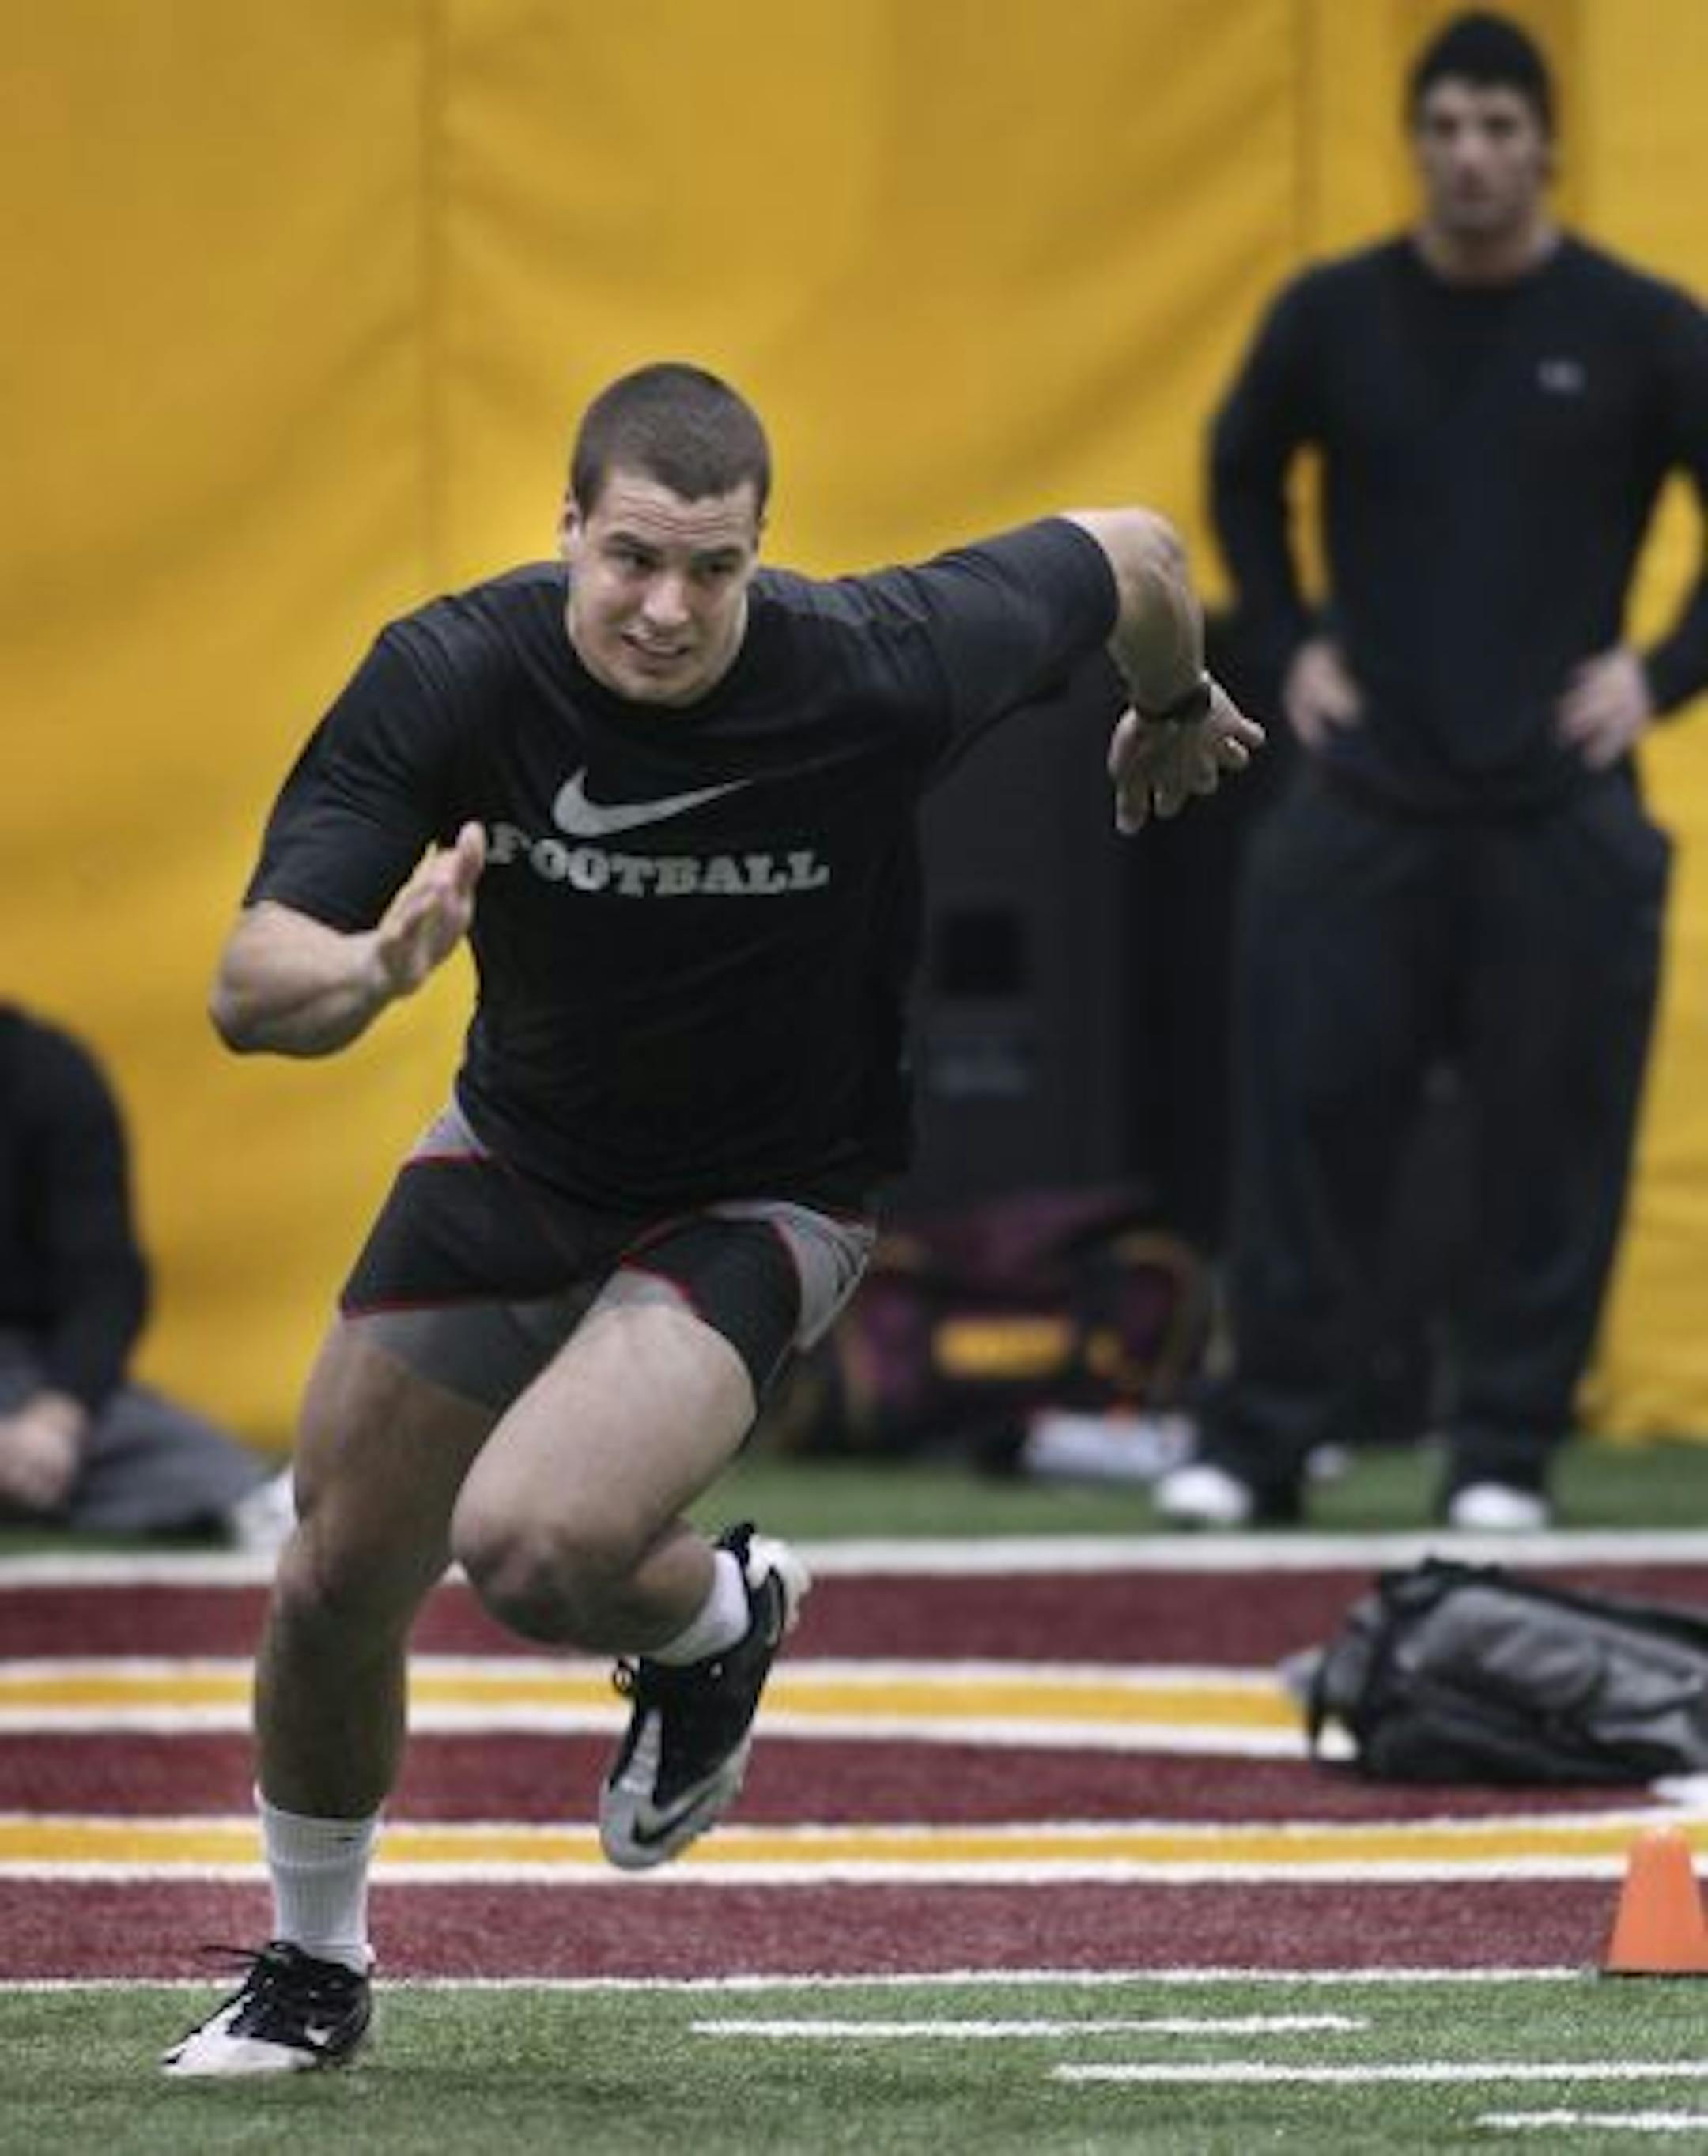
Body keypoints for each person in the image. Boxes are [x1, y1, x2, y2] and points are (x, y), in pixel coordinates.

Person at [161, 359, 1263, 2075]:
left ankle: (714, 1617)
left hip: (770, 1188)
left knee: (531, 1543)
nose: (669, 608)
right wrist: (375, 967)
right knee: (331, 1570)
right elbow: (248, 982)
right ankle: (314, 1965)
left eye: (714, 567)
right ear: (569, 532)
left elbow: (1132, 551)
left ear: (766, 555)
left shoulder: (875, 663)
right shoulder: (456, 670)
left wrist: (1177, 698)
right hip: (522, 1150)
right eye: (633, 559)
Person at [1156, 10, 1708, 1536]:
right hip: (1368, 791)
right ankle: (1262, 1438)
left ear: (1546, 146)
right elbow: (1241, 469)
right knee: (1307, 1113)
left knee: (1555, 1135)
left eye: (1499, 129)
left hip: (1557, 800)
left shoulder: (1641, 327)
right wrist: (1289, 644)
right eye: (1446, 128)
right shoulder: (1335, 317)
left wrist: (1654, 678)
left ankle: (1504, 1451)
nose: (1471, 156)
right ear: (1418, 147)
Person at [0, 1002, 292, 1548]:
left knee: (211, 1472)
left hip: (27, 1379)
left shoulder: (45, 1071)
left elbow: (104, 1284)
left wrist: (55, 1422)